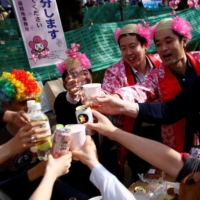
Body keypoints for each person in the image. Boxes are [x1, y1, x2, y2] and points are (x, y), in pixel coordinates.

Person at [114, 16, 200, 156]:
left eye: (168, 41)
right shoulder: (157, 75)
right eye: (158, 44)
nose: (163, 48)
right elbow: (140, 90)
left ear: (184, 41)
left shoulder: (198, 60)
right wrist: (116, 97)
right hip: (178, 153)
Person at [0, 69, 88, 200]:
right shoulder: (3, 136)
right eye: (22, 102)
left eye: (34, 101)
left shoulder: (42, 123)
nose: (30, 109)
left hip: (43, 184)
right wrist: (40, 171)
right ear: (6, 104)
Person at [55, 44, 120, 197]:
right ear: (65, 83)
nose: (81, 78)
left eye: (84, 72)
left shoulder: (105, 95)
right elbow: (67, 102)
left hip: (107, 161)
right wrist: (73, 95)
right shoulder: (63, 100)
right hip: (80, 169)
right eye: (73, 75)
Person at [102, 23, 162, 181]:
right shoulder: (115, 72)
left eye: (132, 46)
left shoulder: (161, 64)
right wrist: (107, 99)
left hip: (166, 129)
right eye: (123, 48)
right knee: (142, 179)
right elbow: (107, 93)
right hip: (136, 133)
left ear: (145, 44)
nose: (128, 52)